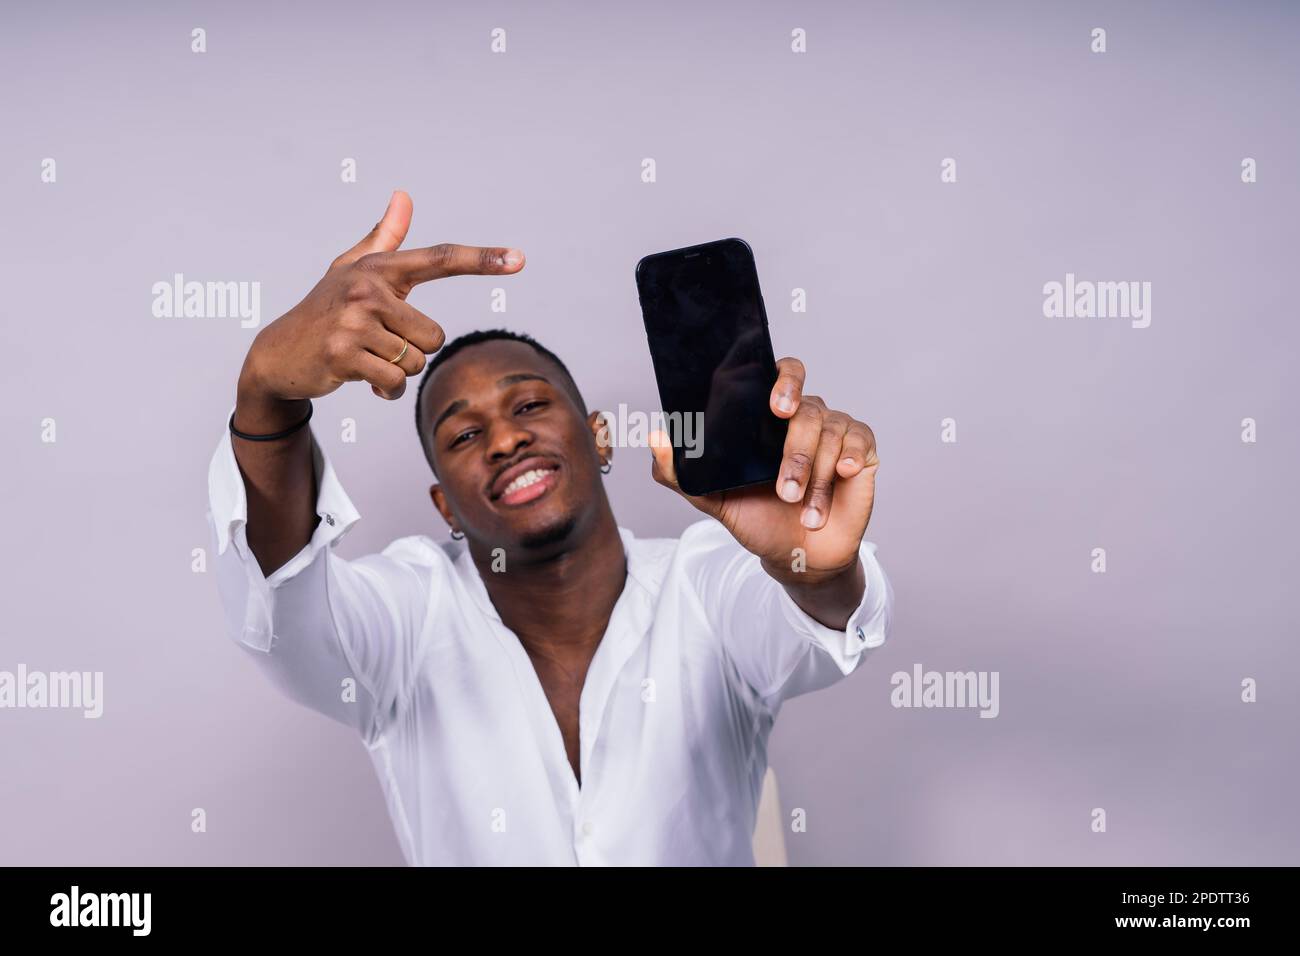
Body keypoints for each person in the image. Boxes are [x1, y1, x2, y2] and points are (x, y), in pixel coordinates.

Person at [208, 190, 893, 865]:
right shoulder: (407, 620)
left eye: (530, 405)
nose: (504, 440)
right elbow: (285, 608)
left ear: (598, 439)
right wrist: (267, 392)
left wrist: (818, 568)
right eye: (466, 433)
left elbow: (816, 625)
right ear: (444, 506)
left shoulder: (704, 586)